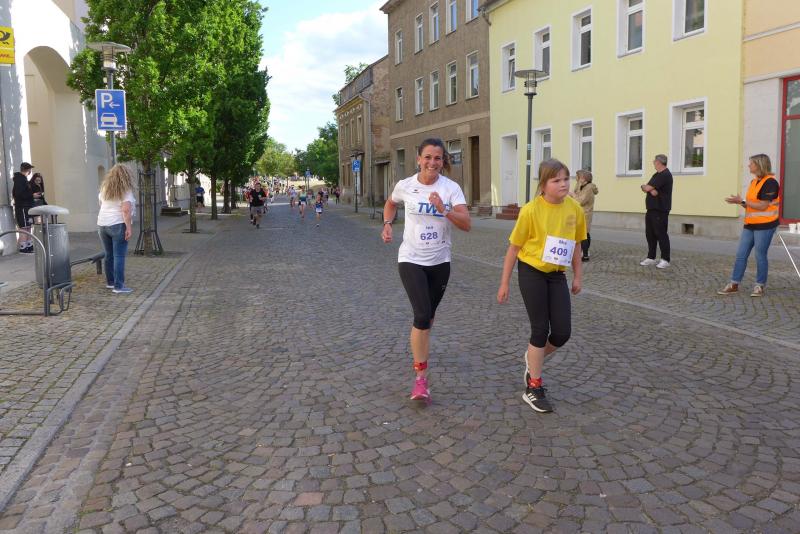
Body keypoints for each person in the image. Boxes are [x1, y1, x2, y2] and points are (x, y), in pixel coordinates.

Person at [381, 138, 471, 401]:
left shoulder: (451, 188)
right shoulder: (405, 185)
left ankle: (421, 341)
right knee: (421, 316)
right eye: (428, 157)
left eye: (438, 158)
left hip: (440, 262)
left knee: (428, 318)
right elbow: (390, 203)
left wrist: (444, 210)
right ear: (418, 159)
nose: (433, 162)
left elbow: (466, 224)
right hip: (411, 258)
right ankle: (421, 379)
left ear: (443, 162)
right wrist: (387, 223)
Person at [497, 159, 586, 413]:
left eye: (566, 179)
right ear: (544, 185)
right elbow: (513, 248)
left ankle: (532, 356)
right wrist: (504, 283)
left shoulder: (574, 208)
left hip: (557, 275)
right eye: (556, 180)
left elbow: (577, 245)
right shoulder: (530, 210)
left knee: (562, 332)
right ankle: (534, 387)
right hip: (531, 271)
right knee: (539, 329)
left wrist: (578, 276)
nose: (563, 184)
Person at [717, 154, 781, 297]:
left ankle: (759, 285)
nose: (748, 165)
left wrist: (742, 201)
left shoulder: (771, 182)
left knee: (760, 256)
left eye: (751, 163)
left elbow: (763, 206)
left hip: (765, 225)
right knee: (741, 255)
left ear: (759, 165)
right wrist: (740, 202)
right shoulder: (754, 182)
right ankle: (734, 284)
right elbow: (750, 205)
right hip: (750, 225)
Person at [97, 164, 136, 294]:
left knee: (108, 255)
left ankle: (111, 282)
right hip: (118, 224)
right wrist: (128, 227)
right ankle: (119, 286)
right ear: (126, 176)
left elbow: (101, 204)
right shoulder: (126, 190)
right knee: (119, 255)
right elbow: (126, 210)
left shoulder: (104, 188)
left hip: (102, 224)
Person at [639, 154, 673, 269]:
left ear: (659, 162)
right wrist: (649, 188)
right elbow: (645, 187)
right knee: (650, 234)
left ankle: (665, 259)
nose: (653, 162)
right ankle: (651, 257)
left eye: (654, 161)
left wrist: (649, 188)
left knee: (661, 233)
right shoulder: (656, 175)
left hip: (660, 209)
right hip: (651, 208)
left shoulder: (665, 174)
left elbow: (648, 187)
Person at [570, 170, 597, 261]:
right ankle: (584, 252)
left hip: (585, 213)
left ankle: (585, 255)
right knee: (585, 233)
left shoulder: (588, 188)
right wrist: (577, 186)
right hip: (580, 213)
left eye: (578, 177)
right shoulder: (582, 186)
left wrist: (572, 195)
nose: (576, 178)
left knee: (584, 234)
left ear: (583, 178)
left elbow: (580, 201)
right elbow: (576, 194)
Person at [11, 162, 35, 254]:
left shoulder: (22, 179)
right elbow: (19, 194)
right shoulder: (19, 179)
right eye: (29, 169)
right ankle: (23, 248)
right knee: (24, 227)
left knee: (28, 227)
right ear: (28, 170)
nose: (30, 171)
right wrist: (31, 195)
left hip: (26, 207)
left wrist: (31, 196)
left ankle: (29, 246)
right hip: (22, 207)